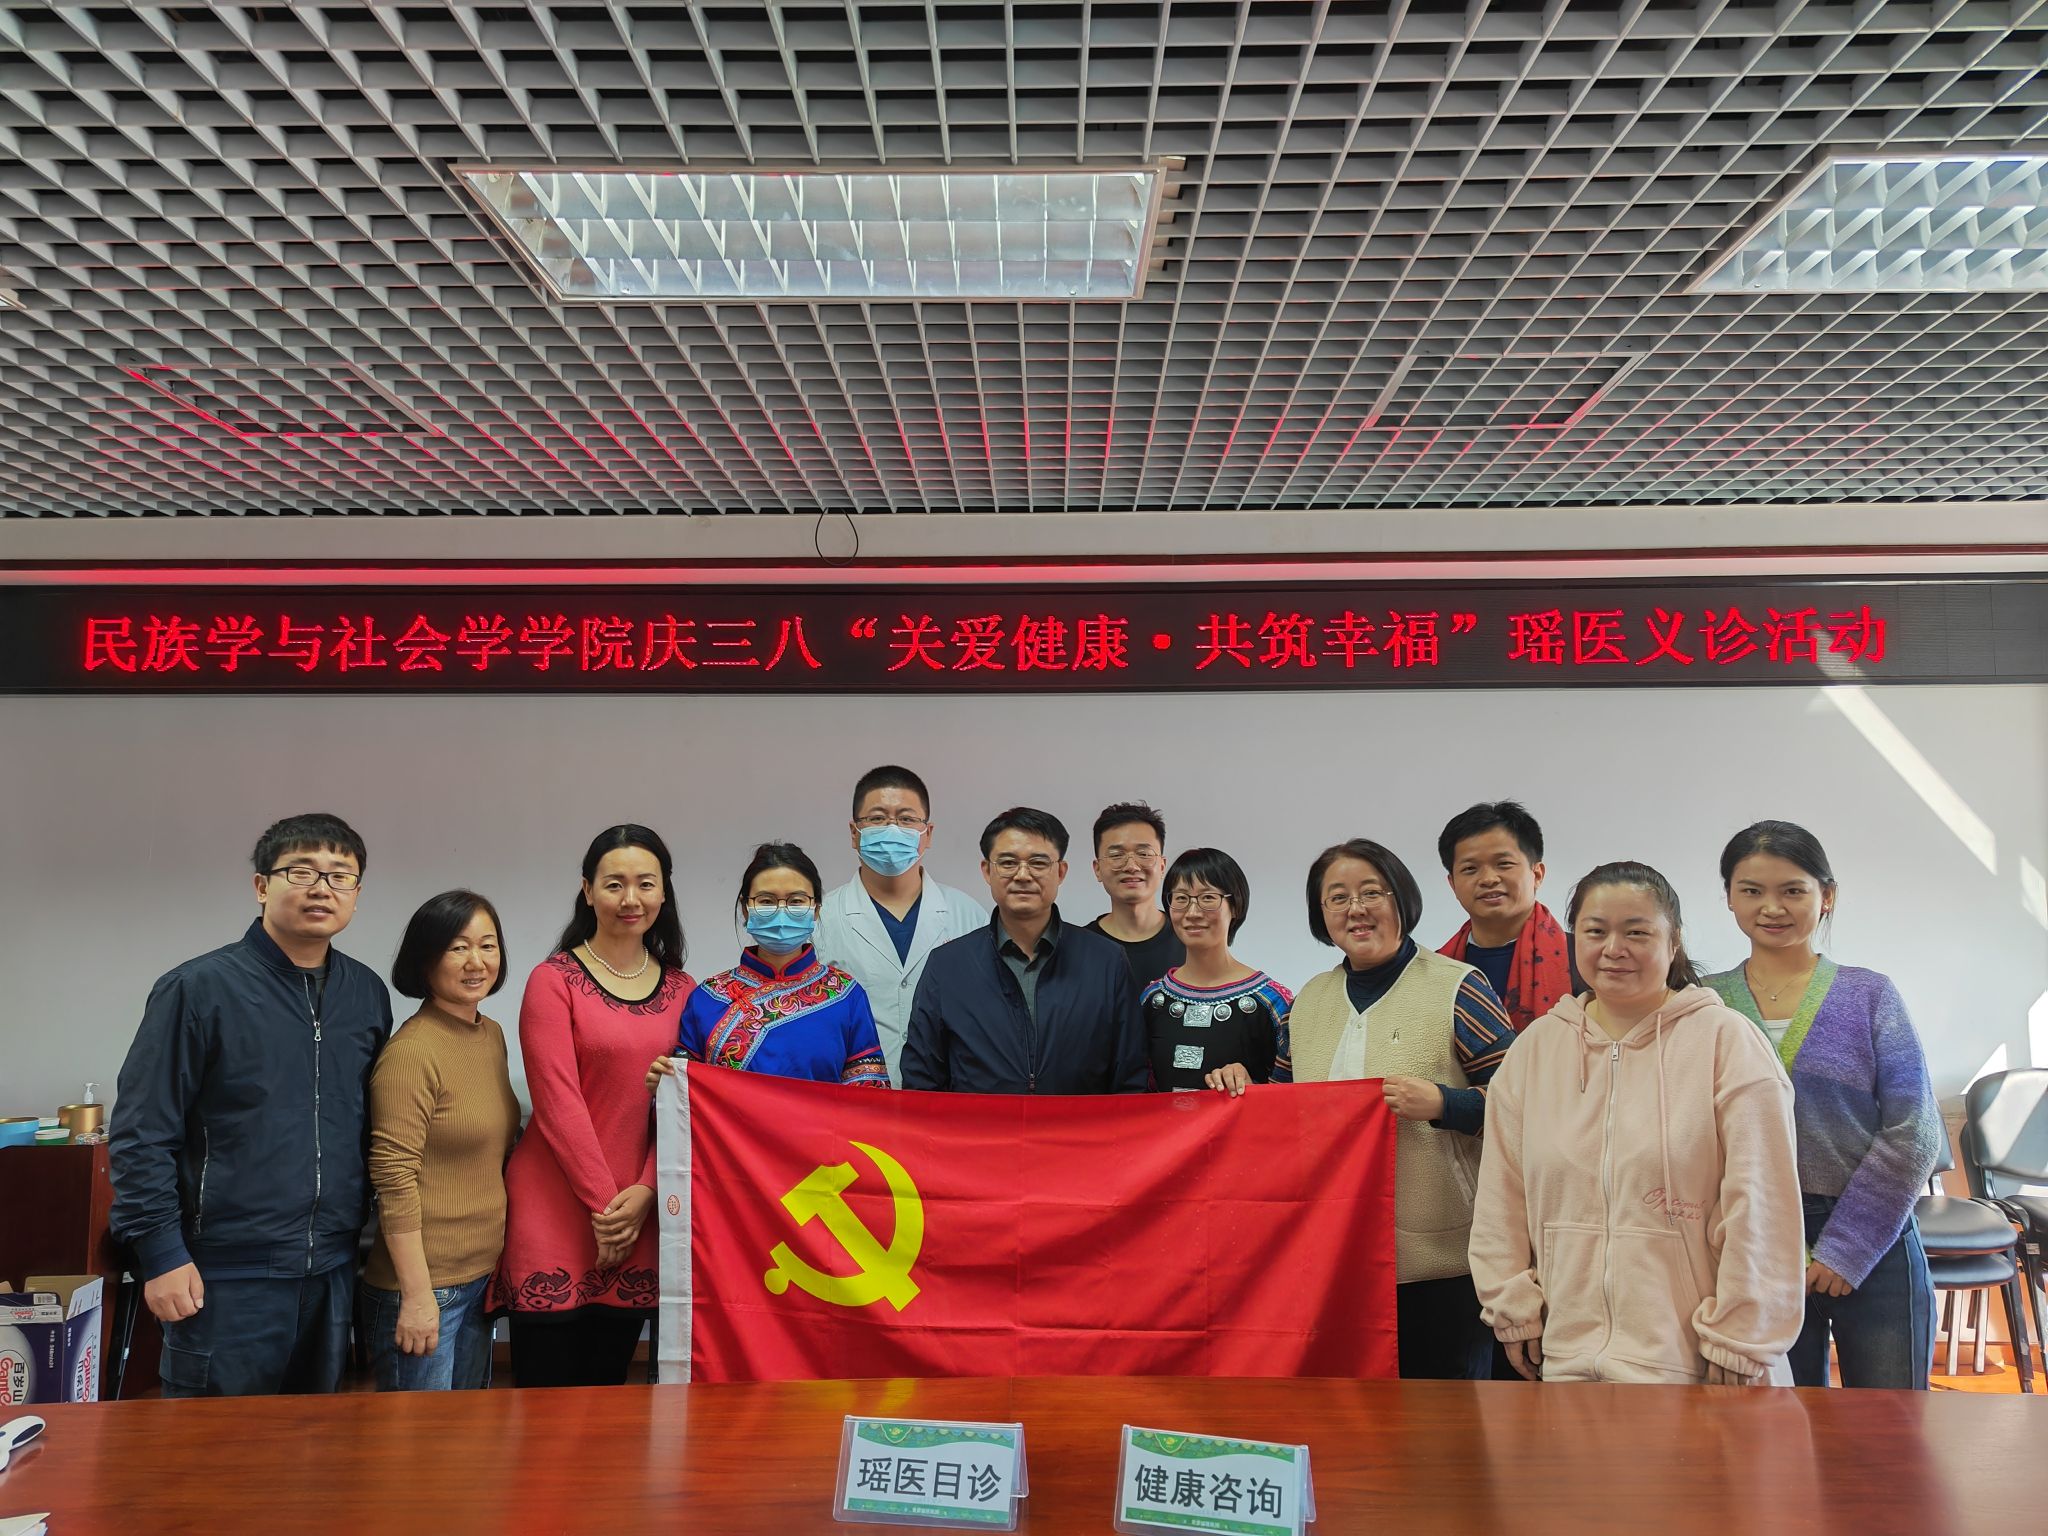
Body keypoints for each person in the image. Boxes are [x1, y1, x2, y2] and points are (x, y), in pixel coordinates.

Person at [1470, 862, 1805, 1386]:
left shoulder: (1726, 1043)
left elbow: (1762, 1205)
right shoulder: (1536, 1049)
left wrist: (1740, 1338)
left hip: (1701, 1365)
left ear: (1674, 942)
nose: (1613, 949)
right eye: (1595, 931)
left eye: (1637, 932)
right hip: (1567, 1362)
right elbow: (1501, 1194)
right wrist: (1511, 1306)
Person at [111, 813, 392, 1397]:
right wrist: (160, 1253)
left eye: (340, 876)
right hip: (223, 1272)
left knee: (314, 1439)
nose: (322, 888)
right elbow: (142, 1133)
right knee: (214, 1444)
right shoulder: (198, 989)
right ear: (262, 885)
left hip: (332, 1267)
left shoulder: (365, 993)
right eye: (302, 871)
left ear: (357, 893)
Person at [1703, 822, 1942, 1389]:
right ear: (1729, 897)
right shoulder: (1706, 1002)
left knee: (1890, 1425)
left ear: (1826, 895)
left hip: (1873, 1236)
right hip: (1754, 1242)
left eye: (1793, 890)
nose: (1772, 907)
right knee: (1780, 1427)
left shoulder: (1869, 994)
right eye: (1752, 890)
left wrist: (1847, 1247)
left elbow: (1915, 1130)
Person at [1287, 838, 1516, 1379]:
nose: (1356, 909)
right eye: (1337, 898)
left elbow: (1524, 1104)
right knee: (1348, 1413)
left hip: (1438, 1264)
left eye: (1372, 892)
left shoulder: (1458, 987)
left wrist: (1445, 1103)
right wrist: (1236, 1082)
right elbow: (1280, 1111)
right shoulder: (1306, 1002)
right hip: (1332, 1258)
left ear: (1401, 899)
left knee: (1440, 1415)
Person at [497, 825, 693, 1388]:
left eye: (645, 884)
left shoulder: (684, 990)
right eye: (613, 884)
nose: (631, 899)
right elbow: (556, 1102)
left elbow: (687, 1107)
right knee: (544, 1397)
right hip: (557, 1205)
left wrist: (647, 1191)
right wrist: (609, 1209)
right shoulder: (552, 980)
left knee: (609, 1395)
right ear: (587, 890)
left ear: (663, 892)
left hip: (641, 1212)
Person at [359, 891, 521, 1393]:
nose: (477, 962)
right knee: (417, 1440)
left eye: (487, 945)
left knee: (465, 1434)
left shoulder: (490, 1034)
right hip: (425, 1288)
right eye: (457, 947)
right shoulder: (411, 1053)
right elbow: (393, 1177)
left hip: (479, 1277)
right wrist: (417, 1296)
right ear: (425, 959)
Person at [901, 806, 1147, 1094]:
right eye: (1007, 862)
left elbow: (1130, 1077)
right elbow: (922, 1081)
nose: (1022, 875)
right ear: (987, 871)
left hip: (1079, 1124)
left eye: (1038, 863)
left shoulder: (1105, 961)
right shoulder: (948, 966)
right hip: (978, 1124)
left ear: (1061, 872)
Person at [647, 843, 890, 1091]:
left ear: (816, 909)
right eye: (766, 901)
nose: (781, 911)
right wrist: (665, 1085)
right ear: (745, 908)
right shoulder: (708, 998)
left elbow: (868, 1099)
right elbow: (684, 1097)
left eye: (796, 901)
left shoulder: (846, 996)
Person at [816, 765, 986, 1084]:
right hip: (852, 1095)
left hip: (946, 1095)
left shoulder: (968, 915)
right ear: (854, 833)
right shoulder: (821, 919)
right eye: (877, 818)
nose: (892, 829)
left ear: (928, 834)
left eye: (907, 819)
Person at [1142, 848, 1292, 1095]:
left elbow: (1292, 1098)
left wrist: (1251, 1088)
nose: (1192, 913)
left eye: (1208, 898)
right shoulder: (1152, 999)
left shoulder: (1272, 1002)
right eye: (1181, 898)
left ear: (1235, 906)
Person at [1435, 800, 1577, 1032]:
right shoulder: (1435, 970)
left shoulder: (1584, 959)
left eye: (1504, 864)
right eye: (1470, 869)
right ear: (1453, 884)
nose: (1488, 879)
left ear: (1537, 874)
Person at [1084, 801, 1185, 992]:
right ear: (1097, 869)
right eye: (1116, 855)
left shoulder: (1189, 939)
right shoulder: (1078, 948)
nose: (1131, 866)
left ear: (1162, 866)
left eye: (1144, 854)